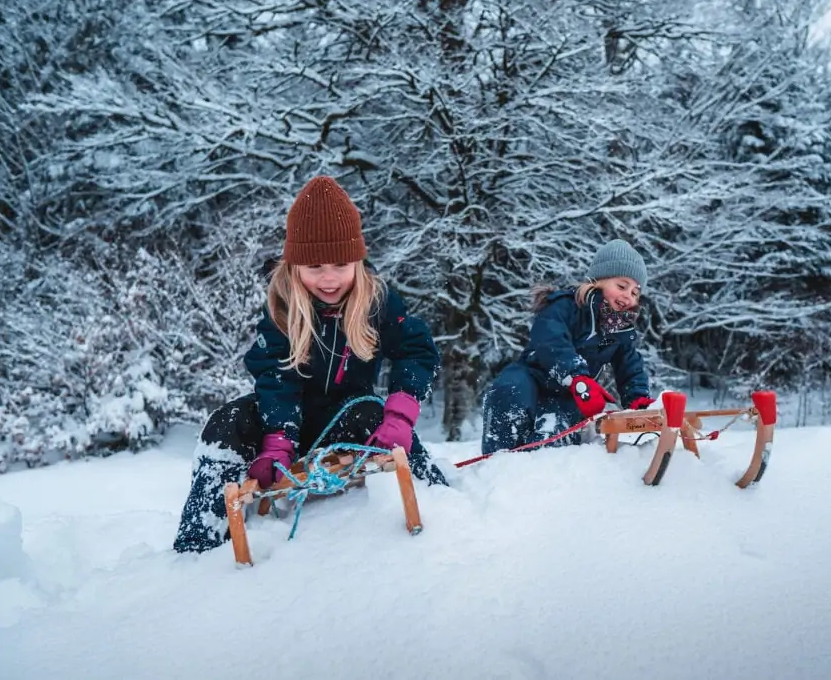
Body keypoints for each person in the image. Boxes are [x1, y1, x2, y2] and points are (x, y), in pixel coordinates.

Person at [174, 175, 446, 554]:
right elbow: (275, 376)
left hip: (348, 418)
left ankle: (438, 500)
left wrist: (400, 416)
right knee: (225, 422)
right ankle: (198, 541)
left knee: (373, 411)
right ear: (295, 265)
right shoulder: (281, 307)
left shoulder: (376, 301)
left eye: (340, 263)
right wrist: (277, 438)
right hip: (287, 423)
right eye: (315, 265)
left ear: (358, 261)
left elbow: (416, 350)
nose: (329, 277)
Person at [481, 239, 655, 455]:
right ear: (598, 281)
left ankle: (540, 473)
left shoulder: (619, 332)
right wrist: (576, 375)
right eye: (621, 286)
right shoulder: (566, 305)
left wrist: (637, 398)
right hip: (533, 375)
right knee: (510, 391)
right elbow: (550, 339)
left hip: (569, 396)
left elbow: (630, 366)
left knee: (554, 430)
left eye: (635, 293)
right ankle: (497, 459)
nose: (628, 296)